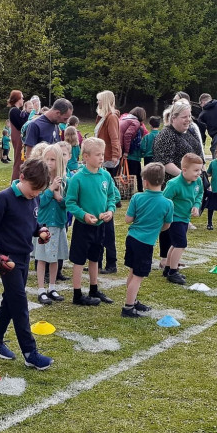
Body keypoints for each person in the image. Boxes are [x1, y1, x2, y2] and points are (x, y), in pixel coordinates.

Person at [0, 157, 53, 370]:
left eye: (40, 191)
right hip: (8, 261)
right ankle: (30, 353)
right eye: (34, 189)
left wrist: (40, 230)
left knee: (11, 300)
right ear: (21, 177)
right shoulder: (4, 198)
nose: (36, 194)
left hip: (24, 257)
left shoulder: (34, 198)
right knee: (20, 306)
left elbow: (31, 223)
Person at [65, 137, 119, 306]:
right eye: (97, 155)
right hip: (83, 226)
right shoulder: (78, 178)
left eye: (102, 154)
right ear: (86, 157)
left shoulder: (105, 175)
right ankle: (77, 293)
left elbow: (112, 196)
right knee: (79, 260)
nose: (101, 158)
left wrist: (110, 210)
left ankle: (94, 288)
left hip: (100, 225)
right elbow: (70, 202)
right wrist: (84, 215)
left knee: (95, 258)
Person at [152, 101, 203, 268]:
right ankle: (165, 259)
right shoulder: (166, 134)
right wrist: (184, 176)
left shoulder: (188, 133)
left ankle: (173, 257)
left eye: (189, 116)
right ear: (173, 118)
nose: (188, 120)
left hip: (187, 183)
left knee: (180, 223)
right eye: (184, 117)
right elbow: (164, 161)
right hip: (171, 184)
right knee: (169, 222)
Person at [122, 162, 172, 317]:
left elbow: (128, 219)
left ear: (145, 182)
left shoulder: (137, 197)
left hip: (132, 239)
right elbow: (166, 226)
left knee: (132, 272)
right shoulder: (167, 203)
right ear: (162, 181)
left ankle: (133, 300)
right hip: (145, 244)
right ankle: (128, 307)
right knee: (138, 276)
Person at [162, 153, 205, 283]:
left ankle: (168, 268)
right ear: (184, 170)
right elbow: (164, 201)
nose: (199, 173)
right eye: (196, 170)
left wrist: (196, 206)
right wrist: (165, 218)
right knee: (181, 244)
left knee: (175, 244)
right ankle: (173, 272)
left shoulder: (198, 181)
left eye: (200, 170)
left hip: (185, 218)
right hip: (174, 219)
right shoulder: (174, 184)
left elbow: (200, 194)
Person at [34, 144, 68, 305]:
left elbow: (67, 203)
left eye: (53, 159)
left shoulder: (65, 180)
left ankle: (52, 287)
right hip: (44, 225)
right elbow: (39, 202)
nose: (49, 162)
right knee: (41, 258)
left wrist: (60, 197)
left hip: (59, 224)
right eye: (46, 159)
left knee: (54, 258)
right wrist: (50, 190)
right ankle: (41, 289)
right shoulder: (41, 180)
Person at [94, 91, 122, 273]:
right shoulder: (102, 117)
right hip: (101, 161)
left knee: (105, 212)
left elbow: (114, 138)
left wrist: (114, 157)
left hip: (107, 162)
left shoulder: (111, 117)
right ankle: (99, 259)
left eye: (98, 100)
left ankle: (110, 261)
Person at [120, 106, 147, 190]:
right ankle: (139, 189)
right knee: (137, 174)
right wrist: (127, 152)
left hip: (123, 149)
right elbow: (128, 136)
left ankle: (128, 190)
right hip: (132, 155)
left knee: (127, 174)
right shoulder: (136, 124)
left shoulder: (125, 119)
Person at [7, 90, 27, 179]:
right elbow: (22, 125)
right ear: (18, 99)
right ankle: (15, 182)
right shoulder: (14, 111)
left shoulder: (17, 111)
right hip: (18, 138)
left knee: (21, 160)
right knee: (19, 161)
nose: (23, 100)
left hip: (19, 138)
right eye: (22, 98)